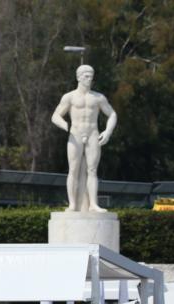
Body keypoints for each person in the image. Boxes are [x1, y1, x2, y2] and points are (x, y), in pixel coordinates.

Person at [51, 64, 117, 212]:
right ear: (78, 77)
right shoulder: (69, 97)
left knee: (92, 170)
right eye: (86, 76)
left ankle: (93, 204)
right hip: (75, 135)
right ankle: (72, 204)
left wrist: (108, 131)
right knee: (73, 170)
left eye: (91, 76)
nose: (89, 79)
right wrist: (65, 125)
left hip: (93, 133)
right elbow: (55, 116)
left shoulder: (98, 98)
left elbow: (112, 114)